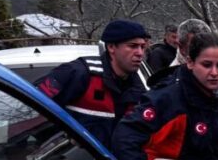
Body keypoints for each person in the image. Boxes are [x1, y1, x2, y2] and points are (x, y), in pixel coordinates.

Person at [36, 18, 150, 150]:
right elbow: (32, 104)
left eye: (142, 47)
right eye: (132, 46)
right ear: (111, 47)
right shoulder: (78, 73)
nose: (140, 53)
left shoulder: (139, 89)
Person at [147, 18, 212, 88]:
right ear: (181, 47)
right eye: (196, 46)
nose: (203, 50)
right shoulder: (170, 82)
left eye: (206, 45)